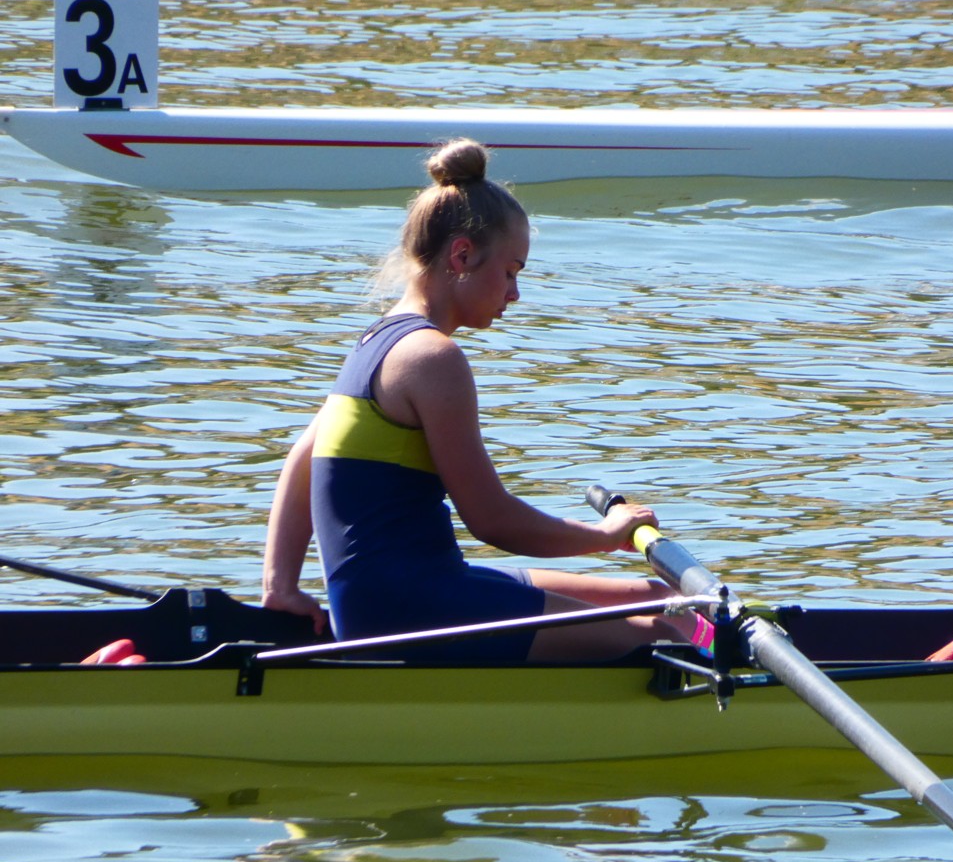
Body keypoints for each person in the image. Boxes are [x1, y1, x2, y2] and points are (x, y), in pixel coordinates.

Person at [261, 138, 712, 662]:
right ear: (462, 255)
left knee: (661, 599)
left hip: (405, 592)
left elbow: (301, 459)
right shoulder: (433, 358)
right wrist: (605, 535)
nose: (515, 294)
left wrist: (279, 585)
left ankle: (712, 651)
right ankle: (729, 684)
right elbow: (492, 520)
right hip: (407, 614)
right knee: (661, 632)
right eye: (511, 272)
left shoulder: (375, 342)